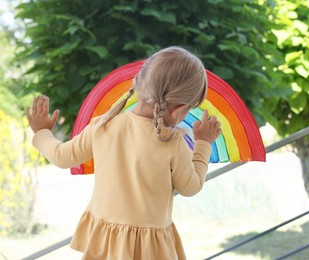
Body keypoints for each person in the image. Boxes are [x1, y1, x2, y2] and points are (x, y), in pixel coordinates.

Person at [26, 46, 222, 260]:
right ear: (178, 109)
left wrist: (42, 131)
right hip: (150, 251)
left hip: (106, 246)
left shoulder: (103, 125)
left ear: (140, 83)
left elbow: (61, 157)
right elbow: (191, 187)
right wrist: (203, 143)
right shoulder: (173, 143)